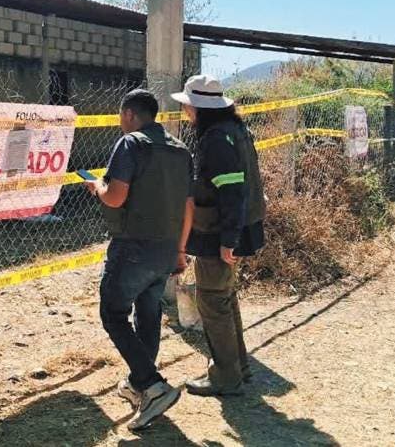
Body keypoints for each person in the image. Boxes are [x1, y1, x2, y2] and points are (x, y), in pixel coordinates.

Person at [84, 89, 194, 430]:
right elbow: (188, 206)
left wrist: (97, 187)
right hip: (166, 249)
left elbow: (115, 198)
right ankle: (139, 383)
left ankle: (152, 386)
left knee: (113, 313)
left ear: (129, 114)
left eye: (121, 117)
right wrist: (180, 250)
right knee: (148, 312)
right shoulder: (180, 150)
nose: (120, 123)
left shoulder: (130, 144)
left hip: (133, 248)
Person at [171, 74, 266, 397]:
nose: (185, 111)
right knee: (224, 297)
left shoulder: (215, 139)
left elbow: (232, 190)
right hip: (234, 228)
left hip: (220, 232)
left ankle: (226, 376)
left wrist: (228, 240)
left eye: (188, 106)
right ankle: (238, 366)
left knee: (212, 300)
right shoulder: (234, 130)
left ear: (199, 108)